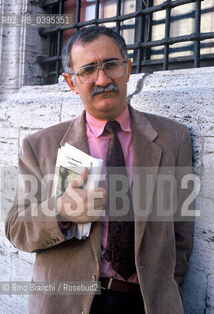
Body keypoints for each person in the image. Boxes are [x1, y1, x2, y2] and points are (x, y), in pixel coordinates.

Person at [5, 26, 194, 314]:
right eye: (88, 70)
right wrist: (61, 211)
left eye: (111, 65)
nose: (102, 79)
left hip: (147, 303)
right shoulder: (39, 146)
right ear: (71, 82)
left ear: (128, 69)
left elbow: (182, 234)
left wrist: (164, 289)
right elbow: (16, 228)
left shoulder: (173, 138)